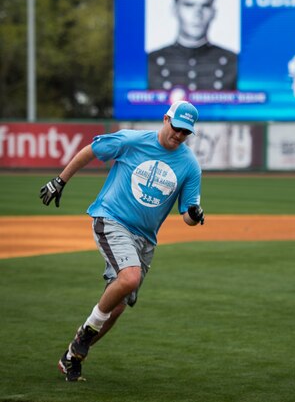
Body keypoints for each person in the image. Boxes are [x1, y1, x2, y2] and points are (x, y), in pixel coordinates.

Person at [39, 100, 205, 382]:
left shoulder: (189, 165)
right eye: (176, 128)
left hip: (145, 240)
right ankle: (84, 334)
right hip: (111, 219)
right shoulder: (132, 140)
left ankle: (72, 356)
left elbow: (187, 216)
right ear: (166, 119)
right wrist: (60, 180)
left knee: (116, 305)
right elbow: (92, 149)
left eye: (185, 132)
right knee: (129, 279)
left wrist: (194, 213)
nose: (179, 135)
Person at [148, 0, 238, 91]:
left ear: (213, 12)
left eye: (205, 6)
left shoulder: (233, 63)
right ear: (175, 10)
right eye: (189, 5)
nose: (197, 15)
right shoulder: (151, 62)